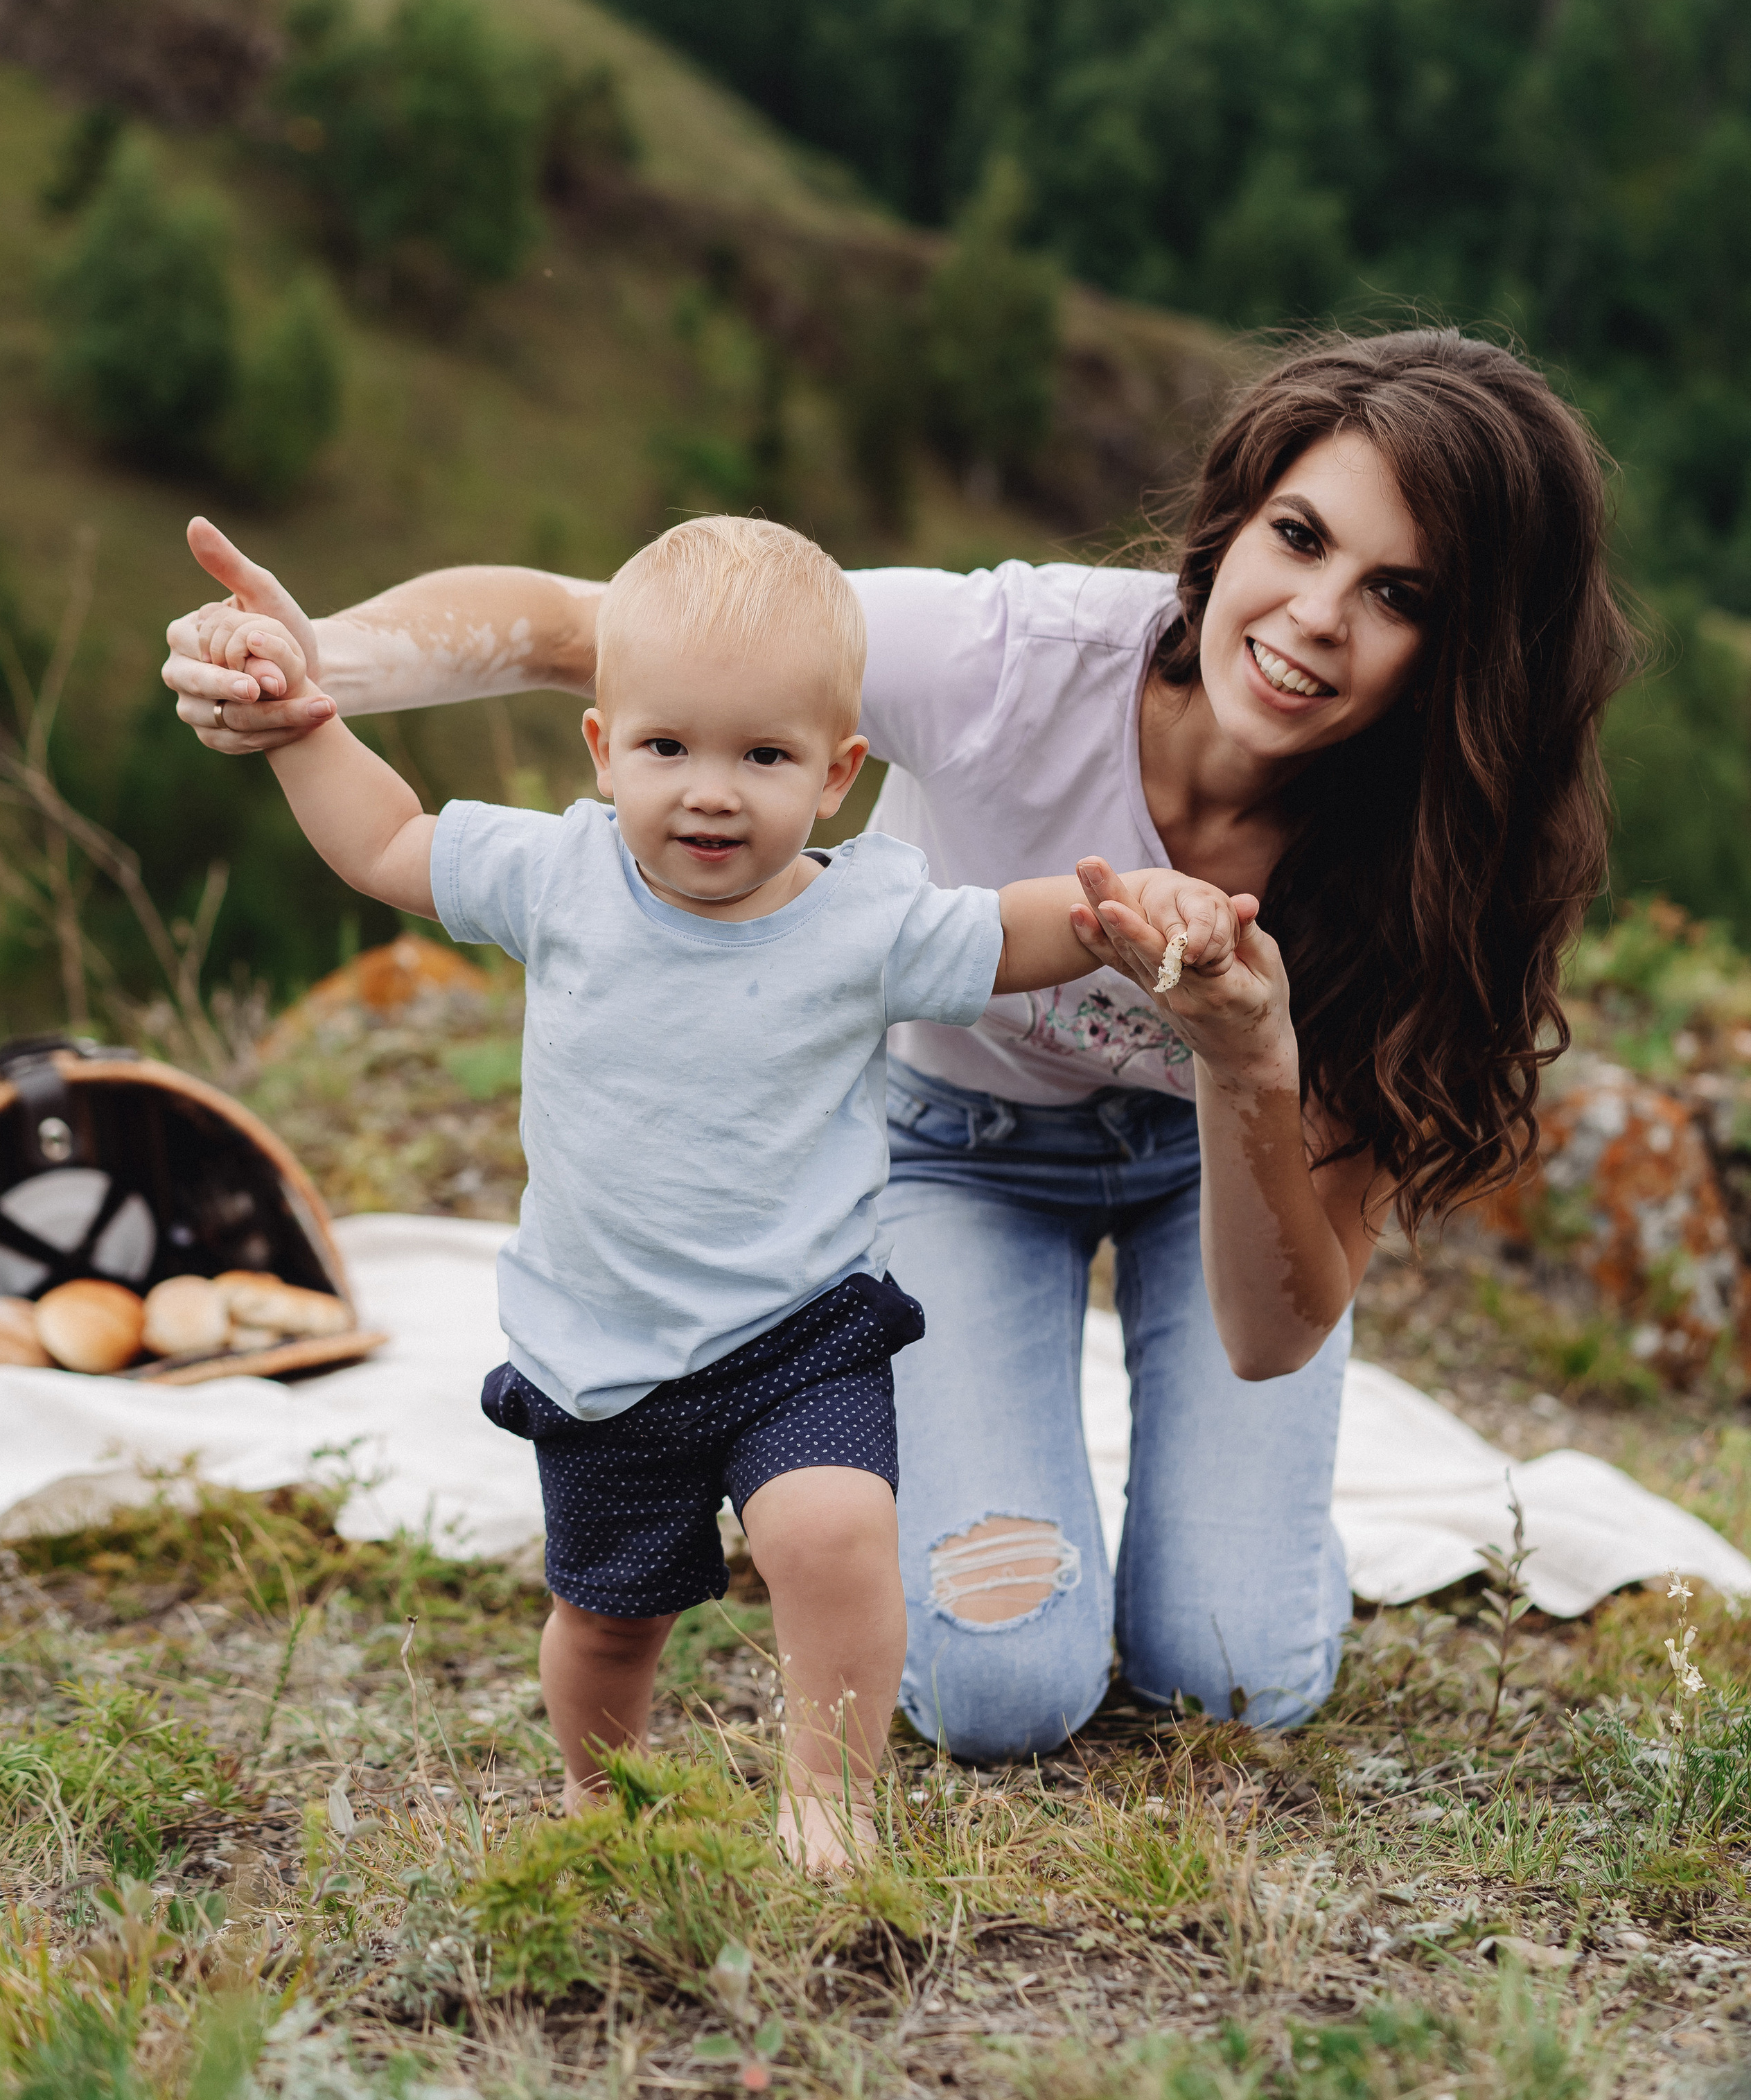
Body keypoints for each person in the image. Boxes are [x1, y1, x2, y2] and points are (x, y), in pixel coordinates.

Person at [165, 329, 1636, 1760]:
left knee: (1236, 1680)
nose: (1317, 614)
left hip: (1219, 1189)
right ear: (1226, 526)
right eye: (1299, 538)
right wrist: (306, 671)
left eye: (1400, 595)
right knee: (1001, 1690)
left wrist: (1248, 1059)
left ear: (1471, 655)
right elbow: (580, 622)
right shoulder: (1014, 659)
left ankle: (1231, 1532)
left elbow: (1270, 1332)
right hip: (954, 1155)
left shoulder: (1452, 868)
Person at [198, 512, 1233, 1859]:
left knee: (836, 1530)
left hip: (797, 1329)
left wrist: (1128, 904)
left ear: (836, 774)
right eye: (666, 748)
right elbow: (385, 842)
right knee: (609, 1619)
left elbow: (1005, 930)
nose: (708, 790)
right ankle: (596, 1799)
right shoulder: (556, 874)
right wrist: (298, 725)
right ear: (601, 748)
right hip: (603, 1344)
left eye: (761, 756)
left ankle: (827, 1798)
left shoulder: (860, 919)